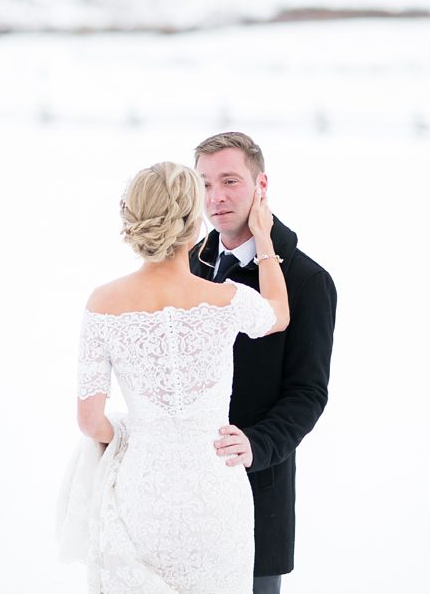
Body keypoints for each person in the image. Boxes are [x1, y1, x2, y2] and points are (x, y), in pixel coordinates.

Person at [73, 162, 289, 593]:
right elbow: (278, 315)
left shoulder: (102, 303)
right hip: (216, 490)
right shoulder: (227, 299)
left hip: (143, 492)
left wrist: (134, 430)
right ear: (193, 224)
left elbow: (90, 422)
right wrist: (264, 240)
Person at [191, 133, 337, 594]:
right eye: (205, 183)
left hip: (258, 494)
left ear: (261, 185)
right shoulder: (188, 265)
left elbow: (308, 392)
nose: (215, 197)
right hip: (183, 494)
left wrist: (257, 444)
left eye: (230, 181)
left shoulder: (308, 280)